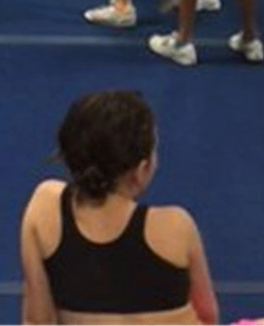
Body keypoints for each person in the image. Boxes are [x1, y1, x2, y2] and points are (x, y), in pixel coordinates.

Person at [20, 90, 218, 326]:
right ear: (141, 170)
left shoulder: (44, 207)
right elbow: (207, 316)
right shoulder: (175, 227)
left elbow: (37, 320)